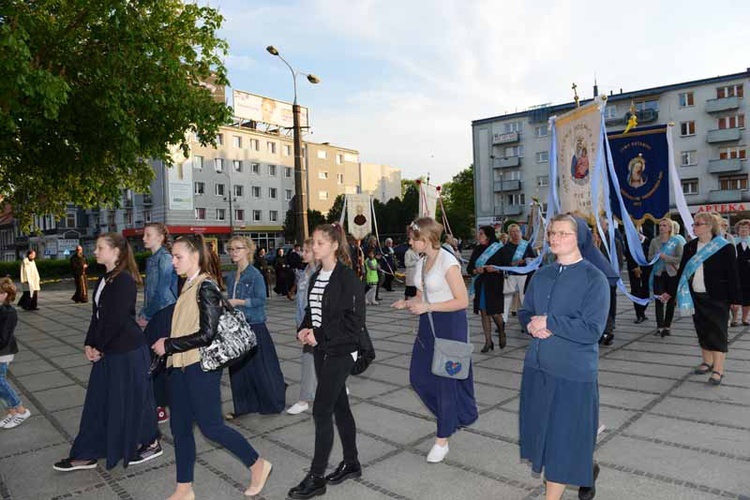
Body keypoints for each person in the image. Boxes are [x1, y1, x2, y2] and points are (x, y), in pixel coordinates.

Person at [151, 234, 272, 499]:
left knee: (211, 427)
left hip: (200, 369)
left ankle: (257, 464)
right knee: (180, 428)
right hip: (180, 368)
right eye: (173, 256)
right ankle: (184, 488)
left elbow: (206, 334)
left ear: (195, 257)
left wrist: (169, 344)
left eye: (178, 256)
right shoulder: (188, 284)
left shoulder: (205, 287)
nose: (173, 262)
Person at [519, 214, 610, 500]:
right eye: (551, 233)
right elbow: (525, 311)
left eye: (563, 233)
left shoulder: (594, 278)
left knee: (560, 439)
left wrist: (550, 323)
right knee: (545, 435)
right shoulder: (543, 273)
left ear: (579, 237)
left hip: (572, 372)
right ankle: (585, 467)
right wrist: (531, 324)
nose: (555, 238)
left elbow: (593, 329)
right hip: (537, 367)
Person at [54, 233, 161, 472]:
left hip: (128, 351)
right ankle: (87, 452)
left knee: (137, 400)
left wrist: (99, 347)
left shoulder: (123, 280)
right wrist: (89, 343)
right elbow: (98, 316)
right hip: (109, 349)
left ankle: (151, 442)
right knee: (99, 400)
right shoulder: (106, 279)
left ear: (116, 252)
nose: (95, 251)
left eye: (100, 247)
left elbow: (116, 320)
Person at [391, 218, 478, 464]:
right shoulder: (421, 262)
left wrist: (428, 305)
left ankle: (443, 437)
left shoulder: (448, 261)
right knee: (418, 377)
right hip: (427, 326)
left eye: (413, 238)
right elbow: (420, 294)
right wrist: (408, 303)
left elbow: (462, 301)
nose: (409, 242)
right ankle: (452, 416)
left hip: (450, 325)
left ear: (426, 239)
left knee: (446, 383)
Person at [288, 224, 364, 499]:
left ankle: (316, 477)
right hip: (321, 350)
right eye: (313, 243)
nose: (314, 248)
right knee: (340, 407)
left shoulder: (347, 278)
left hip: (341, 351)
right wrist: (304, 327)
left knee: (321, 410)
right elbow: (313, 309)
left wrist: (317, 333)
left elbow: (353, 322)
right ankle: (352, 463)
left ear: (334, 246)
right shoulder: (318, 274)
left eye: (320, 243)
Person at [669, 212, 741, 386]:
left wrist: (736, 299)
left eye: (697, 224)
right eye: (694, 224)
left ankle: (718, 370)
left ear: (709, 226)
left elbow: (733, 275)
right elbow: (682, 273)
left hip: (718, 297)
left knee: (718, 333)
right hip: (696, 296)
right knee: (702, 330)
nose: (693, 227)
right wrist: (671, 292)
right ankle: (707, 362)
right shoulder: (690, 246)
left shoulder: (725, 247)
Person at [224, 236, 286, 418]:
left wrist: (238, 301)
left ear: (248, 250)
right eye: (231, 249)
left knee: (262, 369)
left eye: (238, 248)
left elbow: (260, 300)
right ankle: (243, 407)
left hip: (254, 325)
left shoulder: (255, 275)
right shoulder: (230, 277)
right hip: (236, 327)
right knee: (238, 369)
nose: (234, 252)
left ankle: (271, 403)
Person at [138, 223, 179, 424]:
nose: (144, 238)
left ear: (161, 237)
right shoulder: (152, 259)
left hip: (164, 312)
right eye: (144, 234)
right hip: (155, 312)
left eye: (148, 234)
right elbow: (150, 291)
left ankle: (161, 407)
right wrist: (143, 310)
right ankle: (159, 405)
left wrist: (146, 314)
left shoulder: (164, 258)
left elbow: (162, 291)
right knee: (156, 360)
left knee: (158, 360)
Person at [287, 238, 318, 415]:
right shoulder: (305, 270)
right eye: (303, 251)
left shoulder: (317, 272)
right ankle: (338, 386)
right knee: (318, 360)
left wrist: (307, 326)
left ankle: (304, 399)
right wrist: (299, 325)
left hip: (314, 324)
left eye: (307, 251)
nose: (302, 254)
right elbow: (300, 301)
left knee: (309, 359)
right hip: (305, 322)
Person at [466, 226, 505, 352]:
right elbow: (469, 268)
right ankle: (488, 341)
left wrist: (496, 269)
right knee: (484, 313)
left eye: (481, 234)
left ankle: (501, 328)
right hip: (480, 284)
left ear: (488, 235)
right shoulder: (477, 249)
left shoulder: (499, 248)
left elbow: (507, 267)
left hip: (494, 284)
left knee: (494, 313)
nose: (479, 236)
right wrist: (475, 270)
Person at [0, 278, 31, 429]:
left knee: (1, 383)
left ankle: (21, 410)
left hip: (2, 352)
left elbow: (3, 338)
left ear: (5, 294)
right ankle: (12, 412)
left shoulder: (9, 312)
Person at [648, 218, 684, 337]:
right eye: (660, 225)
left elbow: (680, 258)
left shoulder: (676, 241)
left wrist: (666, 258)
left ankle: (667, 326)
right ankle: (659, 326)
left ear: (670, 228)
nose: (661, 227)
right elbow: (649, 257)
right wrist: (656, 257)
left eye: (664, 225)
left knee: (670, 301)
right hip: (658, 274)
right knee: (659, 300)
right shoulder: (654, 241)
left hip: (672, 274)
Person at [497, 224, 536, 326]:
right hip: (511, 275)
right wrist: (512, 263)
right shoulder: (506, 247)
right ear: (509, 234)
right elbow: (502, 262)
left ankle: (526, 323)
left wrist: (525, 260)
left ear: (521, 232)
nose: (515, 234)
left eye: (517, 231)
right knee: (507, 299)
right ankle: (503, 323)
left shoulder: (526, 245)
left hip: (524, 275)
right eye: (513, 232)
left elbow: (533, 258)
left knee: (524, 299)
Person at [625, 226, 651, 324]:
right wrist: (634, 266)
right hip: (633, 268)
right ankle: (639, 314)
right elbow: (627, 252)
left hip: (646, 267)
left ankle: (643, 310)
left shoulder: (649, 229)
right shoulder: (629, 232)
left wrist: (643, 239)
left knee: (646, 290)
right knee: (635, 290)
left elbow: (651, 248)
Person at [735, 219, 750, 325]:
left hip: (749, 274)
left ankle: (745, 318)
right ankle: (734, 318)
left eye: (746, 228)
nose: (744, 230)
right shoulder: (733, 241)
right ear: (737, 230)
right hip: (736, 273)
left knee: (748, 297)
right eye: (741, 228)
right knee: (735, 295)